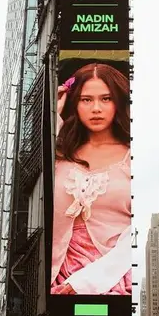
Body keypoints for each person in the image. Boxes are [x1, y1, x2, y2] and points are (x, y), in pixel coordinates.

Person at [51, 63, 132, 295]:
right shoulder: (60, 153)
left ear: (119, 101)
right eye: (86, 100)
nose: (96, 108)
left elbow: (137, 232)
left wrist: (88, 282)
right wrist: (54, 112)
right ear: (74, 102)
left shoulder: (133, 156)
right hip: (57, 275)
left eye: (106, 99)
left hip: (113, 277)